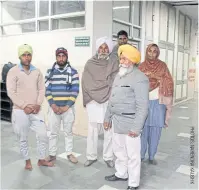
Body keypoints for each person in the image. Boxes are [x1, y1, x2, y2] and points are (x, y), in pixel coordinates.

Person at [104, 44, 149, 190]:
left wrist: (136, 128)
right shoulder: (119, 75)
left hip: (131, 124)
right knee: (119, 151)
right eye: (121, 58)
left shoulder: (140, 78)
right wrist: (107, 117)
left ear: (132, 60)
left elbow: (143, 106)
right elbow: (112, 98)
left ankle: (133, 183)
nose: (121, 61)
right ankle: (121, 173)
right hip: (117, 121)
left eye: (124, 59)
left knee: (133, 155)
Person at [6, 44, 54, 170]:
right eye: (24, 55)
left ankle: (41, 159)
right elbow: (11, 92)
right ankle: (27, 161)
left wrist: (38, 104)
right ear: (20, 56)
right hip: (20, 110)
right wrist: (23, 106)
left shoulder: (37, 71)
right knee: (22, 137)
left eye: (29, 55)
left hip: (36, 110)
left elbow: (41, 89)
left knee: (43, 134)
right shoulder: (13, 71)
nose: (27, 57)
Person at [82, 36, 119, 167]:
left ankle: (108, 157)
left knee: (109, 130)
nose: (103, 50)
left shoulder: (114, 62)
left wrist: (107, 89)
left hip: (108, 100)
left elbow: (116, 80)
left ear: (109, 49)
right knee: (92, 130)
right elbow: (85, 82)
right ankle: (91, 156)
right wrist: (95, 93)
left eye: (106, 47)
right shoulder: (90, 63)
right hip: (93, 100)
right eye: (101, 47)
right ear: (97, 49)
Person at [139, 43, 174, 165]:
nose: (152, 53)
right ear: (146, 52)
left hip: (159, 103)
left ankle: (152, 156)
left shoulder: (162, 66)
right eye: (150, 51)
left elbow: (169, 81)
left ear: (157, 53)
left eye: (154, 51)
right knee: (143, 130)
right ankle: (141, 155)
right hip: (144, 102)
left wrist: (154, 76)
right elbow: (138, 83)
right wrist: (156, 79)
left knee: (156, 130)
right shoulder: (141, 66)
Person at [45, 47, 79, 164]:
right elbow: (47, 90)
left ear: (66, 57)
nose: (61, 58)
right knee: (52, 133)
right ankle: (52, 154)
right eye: (59, 56)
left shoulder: (73, 72)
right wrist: (53, 104)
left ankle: (69, 153)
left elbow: (75, 90)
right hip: (53, 108)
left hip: (68, 109)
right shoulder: (50, 72)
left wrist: (66, 106)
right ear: (56, 57)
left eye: (63, 56)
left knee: (68, 132)